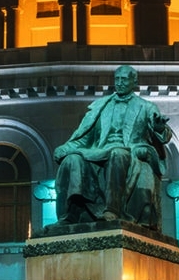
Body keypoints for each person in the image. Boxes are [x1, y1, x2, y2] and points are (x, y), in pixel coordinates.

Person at [53, 65, 172, 229]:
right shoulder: (100, 106)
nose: (120, 83)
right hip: (99, 150)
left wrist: (159, 128)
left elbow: (163, 134)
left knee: (118, 153)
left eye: (124, 79)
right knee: (72, 159)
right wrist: (65, 148)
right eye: (117, 79)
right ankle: (72, 213)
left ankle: (113, 210)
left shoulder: (146, 107)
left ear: (134, 82)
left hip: (129, 150)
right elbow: (84, 137)